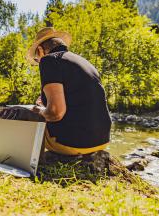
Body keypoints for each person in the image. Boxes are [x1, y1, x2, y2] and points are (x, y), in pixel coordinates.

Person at [25, 27, 112, 156]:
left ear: (40, 50)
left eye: (37, 59)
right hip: (102, 140)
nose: (39, 62)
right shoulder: (83, 61)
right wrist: (45, 104)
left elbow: (56, 113)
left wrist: (35, 110)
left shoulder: (49, 60)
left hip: (73, 143)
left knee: (19, 115)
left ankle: (19, 160)